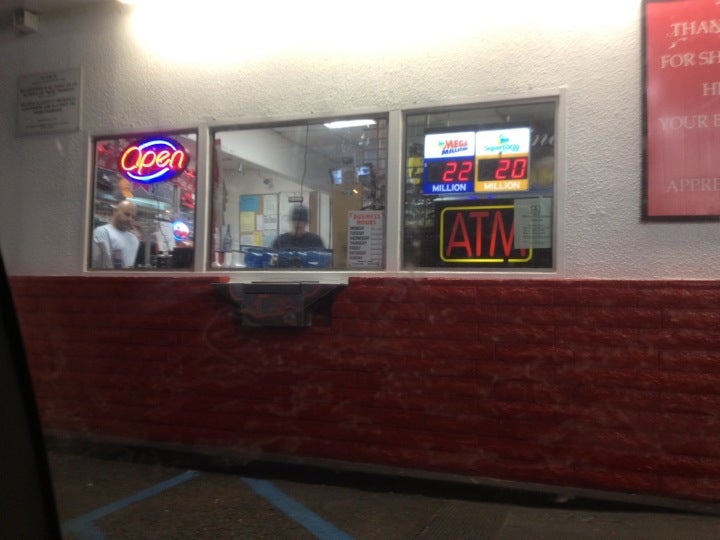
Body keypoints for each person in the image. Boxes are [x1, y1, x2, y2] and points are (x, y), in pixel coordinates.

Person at [91, 199, 140, 269]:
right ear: (115, 212)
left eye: (133, 217)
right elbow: (104, 265)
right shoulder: (102, 232)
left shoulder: (134, 239)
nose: (130, 219)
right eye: (126, 214)